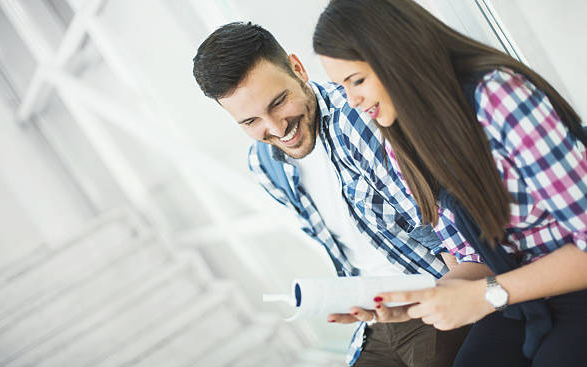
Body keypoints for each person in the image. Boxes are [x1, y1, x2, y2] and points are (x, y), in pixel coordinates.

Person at [192, 22, 491, 367]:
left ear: (298, 69)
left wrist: (456, 304)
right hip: (372, 319)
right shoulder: (265, 165)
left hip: (435, 293)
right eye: (250, 122)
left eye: (278, 102)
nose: (276, 128)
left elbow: (457, 243)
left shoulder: (362, 119)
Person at [312, 1, 587, 366]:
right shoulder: (404, 139)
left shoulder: (498, 96)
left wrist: (486, 295)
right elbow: (475, 256)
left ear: (398, 54)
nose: (352, 101)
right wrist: (413, 302)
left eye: (357, 80)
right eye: (341, 87)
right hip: (520, 293)